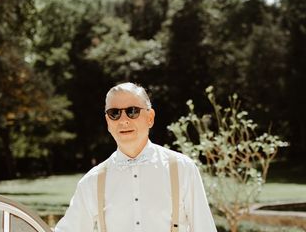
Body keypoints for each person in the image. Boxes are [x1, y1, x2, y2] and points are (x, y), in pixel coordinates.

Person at [55, 82, 217, 232]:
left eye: (132, 111)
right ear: (108, 122)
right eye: (114, 113)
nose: (123, 120)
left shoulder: (182, 168)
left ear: (150, 118)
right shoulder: (92, 181)